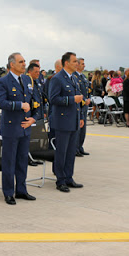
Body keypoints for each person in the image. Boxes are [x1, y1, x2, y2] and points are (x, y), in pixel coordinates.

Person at [0, 53, 36, 205]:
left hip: (25, 127)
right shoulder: (3, 81)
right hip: (11, 128)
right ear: (12, 65)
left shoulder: (27, 79)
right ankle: (8, 192)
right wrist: (19, 105)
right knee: (9, 162)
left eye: (25, 61)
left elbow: (34, 101)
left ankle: (21, 190)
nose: (24, 64)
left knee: (22, 161)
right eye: (21, 62)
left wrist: (34, 117)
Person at [48, 52, 84, 192]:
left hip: (73, 120)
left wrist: (80, 117)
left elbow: (78, 101)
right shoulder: (57, 79)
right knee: (61, 152)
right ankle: (60, 180)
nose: (77, 64)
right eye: (74, 61)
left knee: (70, 152)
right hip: (62, 121)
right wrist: (71, 100)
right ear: (66, 63)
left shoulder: (73, 78)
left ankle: (69, 177)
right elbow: (53, 99)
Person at [75, 58, 91, 156]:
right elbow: (78, 92)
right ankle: (75, 149)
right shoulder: (75, 76)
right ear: (77, 65)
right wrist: (84, 100)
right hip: (79, 106)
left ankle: (80, 147)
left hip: (84, 106)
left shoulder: (83, 77)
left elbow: (87, 90)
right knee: (78, 128)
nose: (84, 66)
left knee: (83, 128)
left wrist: (88, 98)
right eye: (82, 64)